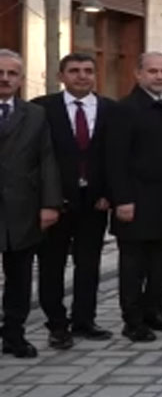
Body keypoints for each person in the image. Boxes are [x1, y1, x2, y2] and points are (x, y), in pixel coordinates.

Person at [32, 53, 117, 349]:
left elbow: (115, 156)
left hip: (94, 203)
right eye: (74, 71)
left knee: (89, 264)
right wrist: (46, 200)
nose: (82, 76)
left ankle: (84, 320)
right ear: (61, 76)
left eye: (88, 71)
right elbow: (36, 157)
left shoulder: (110, 109)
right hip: (56, 202)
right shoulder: (42, 109)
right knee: (51, 265)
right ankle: (57, 324)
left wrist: (109, 193)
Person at [110, 52, 162, 342]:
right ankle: (132, 320)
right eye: (153, 71)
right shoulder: (125, 109)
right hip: (135, 201)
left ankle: (155, 311)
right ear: (138, 74)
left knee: (160, 263)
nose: (160, 76)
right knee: (133, 266)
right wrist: (122, 199)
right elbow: (115, 159)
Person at [0, 49, 63, 358]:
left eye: (12, 73)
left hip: (22, 210)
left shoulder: (35, 115)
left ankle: (14, 335)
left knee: (19, 278)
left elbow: (47, 159)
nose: (5, 78)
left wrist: (50, 204)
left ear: (21, 80)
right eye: (0, 73)